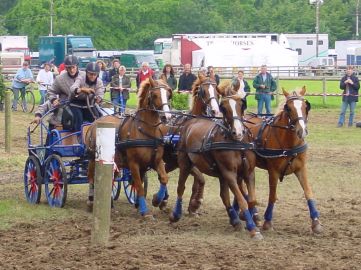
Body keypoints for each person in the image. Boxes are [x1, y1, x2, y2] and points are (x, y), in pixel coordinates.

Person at [68, 62, 105, 132]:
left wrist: (99, 98)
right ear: (87, 73)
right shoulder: (81, 78)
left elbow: (100, 91)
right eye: (91, 74)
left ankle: (95, 137)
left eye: (95, 74)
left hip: (89, 105)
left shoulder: (99, 82)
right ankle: (79, 137)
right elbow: (72, 88)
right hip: (75, 104)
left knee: (98, 118)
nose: (93, 76)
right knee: (79, 119)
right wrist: (81, 89)